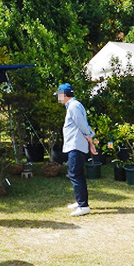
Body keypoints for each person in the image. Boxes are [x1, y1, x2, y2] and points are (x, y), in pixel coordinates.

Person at [56, 83, 98, 217]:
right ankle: (80, 201)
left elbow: (83, 125)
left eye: (59, 95)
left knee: (75, 174)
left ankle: (83, 205)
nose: (58, 98)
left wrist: (90, 139)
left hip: (76, 145)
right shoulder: (74, 105)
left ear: (64, 95)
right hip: (75, 144)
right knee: (77, 173)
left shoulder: (73, 106)